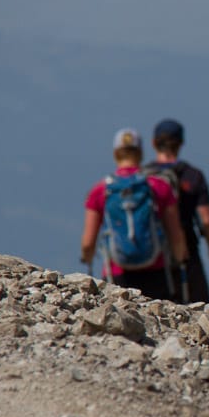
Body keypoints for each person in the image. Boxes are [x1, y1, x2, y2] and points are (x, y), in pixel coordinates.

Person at [80, 127, 188, 300]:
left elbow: (88, 243)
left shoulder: (100, 190)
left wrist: (87, 258)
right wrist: (180, 261)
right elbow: (176, 235)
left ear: (116, 153)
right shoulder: (159, 186)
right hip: (156, 270)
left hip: (116, 273)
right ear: (141, 153)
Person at [143, 118, 209, 303]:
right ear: (181, 143)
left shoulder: (142, 176)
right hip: (186, 254)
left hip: (148, 255)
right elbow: (206, 219)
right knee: (197, 311)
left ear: (153, 143)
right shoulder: (192, 175)